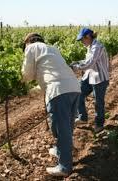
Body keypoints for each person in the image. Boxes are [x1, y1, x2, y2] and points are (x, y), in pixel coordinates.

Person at [21, 33, 81, 176]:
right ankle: (61, 149)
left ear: (28, 43)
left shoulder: (31, 48)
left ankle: (64, 167)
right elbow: (52, 73)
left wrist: (20, 83)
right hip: (74, 87)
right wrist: (37, 88)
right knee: (67, 125)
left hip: (59, 91)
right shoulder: (52, 48)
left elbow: (27, 74)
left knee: (60, 129)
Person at [70, 28, 109, 133]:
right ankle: (83, 117)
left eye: (82, 40)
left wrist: (76, 68)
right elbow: (87, 61)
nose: (81, 42)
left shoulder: (97, 47)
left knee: (98, 102)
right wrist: (77, 62)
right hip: (89, 76)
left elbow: (90, 63)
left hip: (99, 78)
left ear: (88, 37)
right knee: (78, 92)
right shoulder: (90, 47)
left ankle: (99, 124)